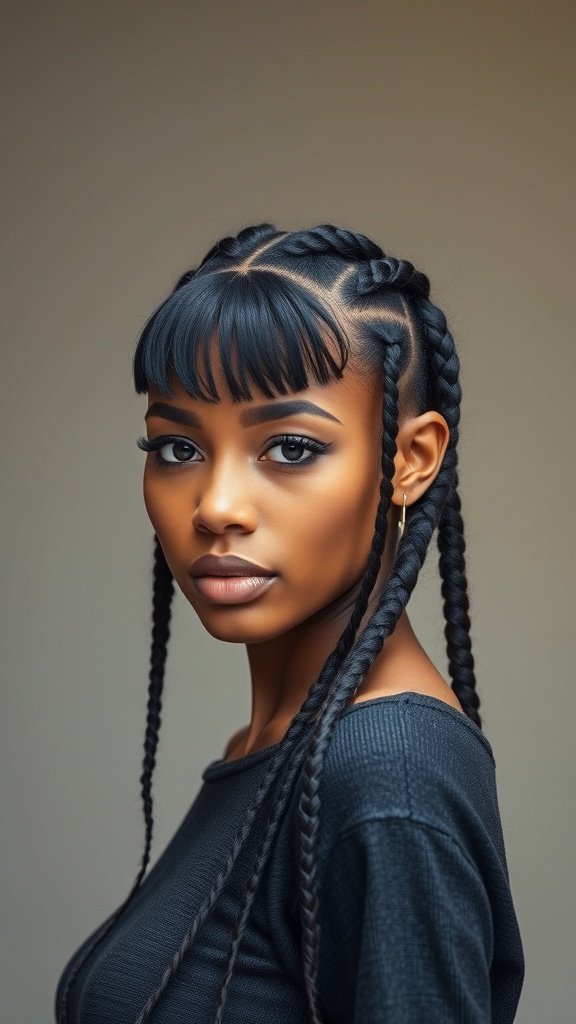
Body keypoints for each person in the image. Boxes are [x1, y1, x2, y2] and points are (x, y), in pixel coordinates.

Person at [54, 223, 525, 1023]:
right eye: (175, 449)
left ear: (412, 459)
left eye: (292, 448)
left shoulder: (386, 776)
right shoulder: (272, 750)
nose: (217, 507)